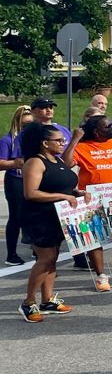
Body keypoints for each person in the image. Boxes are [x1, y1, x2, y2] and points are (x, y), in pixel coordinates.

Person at [18, 123, 80, 323]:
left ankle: (47, 299)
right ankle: (28, 301)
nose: (63, 143)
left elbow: (63, 184)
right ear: (45, 143)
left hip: (57, 216)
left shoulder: (57, 160)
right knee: (45, 258)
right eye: (59, 140)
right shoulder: (35, 162)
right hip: (38, 217)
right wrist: (63, 196)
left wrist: (78, 193)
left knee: (53, 258)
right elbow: (31, 192)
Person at [65, 114, 112, 292]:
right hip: (93, 199)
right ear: (96, 132)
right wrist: (75, 139)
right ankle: (101, 276)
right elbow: (66, 162)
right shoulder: (83, 147)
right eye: (108, 126)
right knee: (94, 239)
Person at [2, 105, 32, 266]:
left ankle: (36, 248)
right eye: (24, 123)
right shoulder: (8, 140)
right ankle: (11, 254)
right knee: (16, 216)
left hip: (33, 179)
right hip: (16, 180)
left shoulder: (34, 139)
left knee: (35, 213)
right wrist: (14, 163)